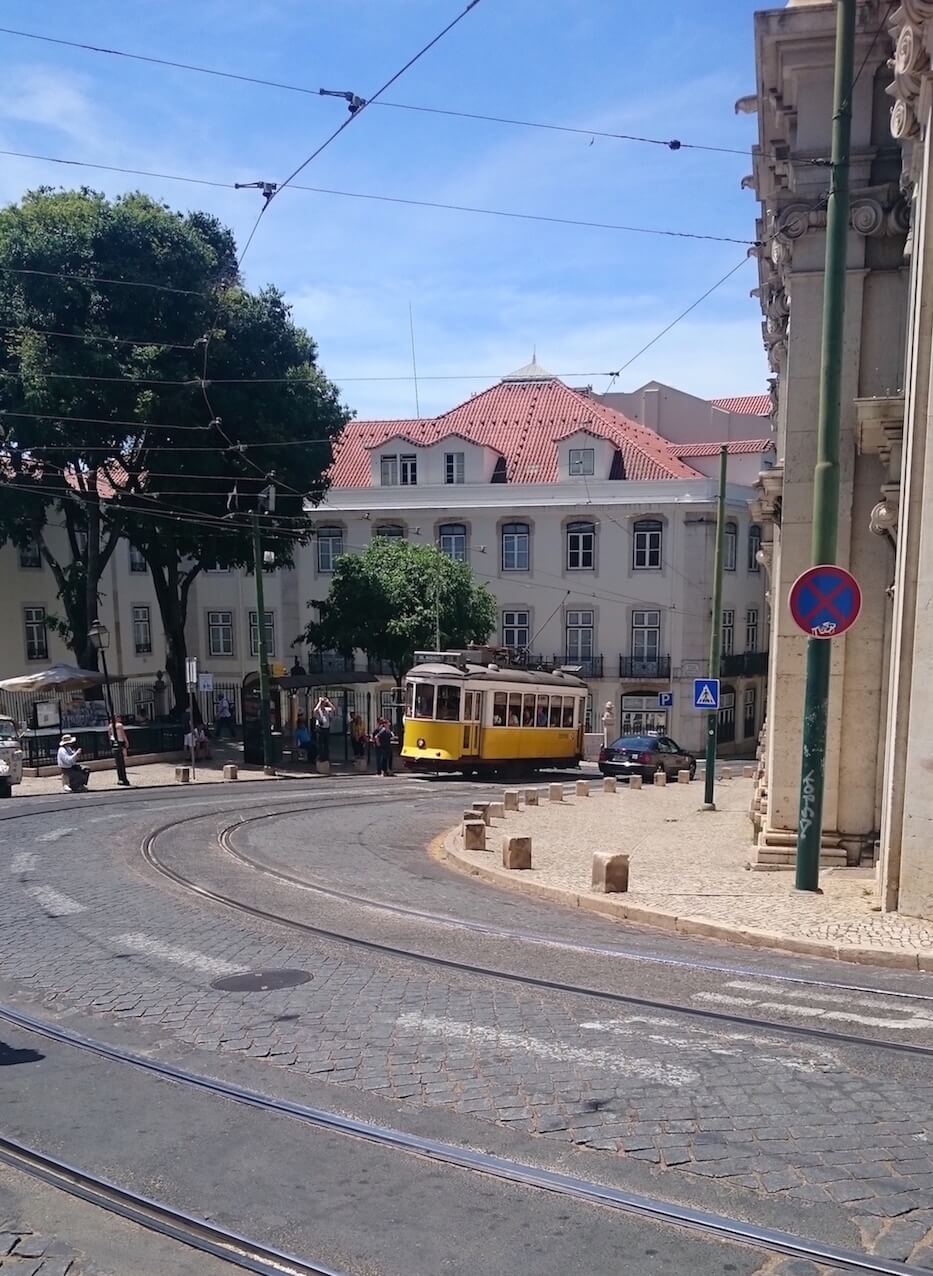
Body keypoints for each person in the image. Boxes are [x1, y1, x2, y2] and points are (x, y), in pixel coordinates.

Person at [313, 696, 335, 763]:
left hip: (326, 728)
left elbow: (333, 709)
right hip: (320, 728)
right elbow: (315, 710)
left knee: (326, 744)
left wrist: (328, 702)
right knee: (320, 744)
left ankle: (326, 757)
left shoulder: (327, 710)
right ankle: (321, 757)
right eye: (322, 704)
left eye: (323, 704)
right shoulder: (318, 710)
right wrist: (319, 701)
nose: (323, 705)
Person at [110, 716, 131, 787]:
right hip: (120, 740)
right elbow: (123, 734)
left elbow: (109, 734)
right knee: (123, 755)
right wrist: (127, 741)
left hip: (114, 741)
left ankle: (121, 776)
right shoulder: (120, 725)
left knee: (117, 757)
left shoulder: (110, 726)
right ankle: (123, 777)